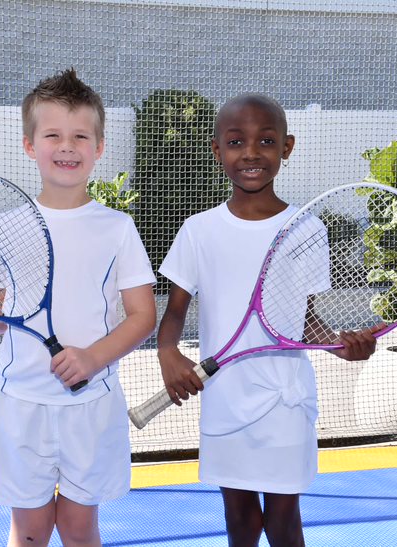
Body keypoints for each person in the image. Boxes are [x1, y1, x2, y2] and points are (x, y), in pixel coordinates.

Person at [0, 68, 156, 547]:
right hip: (22, 408)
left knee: (79, 530)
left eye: (81, 135)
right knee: (30, 532)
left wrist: (92, 358)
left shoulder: (117, 227)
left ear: (99, 148)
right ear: (29, 145)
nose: (67, 146)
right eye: (53, 134)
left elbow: (143, 316)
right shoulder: (4, 226)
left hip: (91, 407)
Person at [156, 93, 380, 547]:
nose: (252, 153)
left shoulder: (307, 229)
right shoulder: (198, 230)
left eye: (267, 141)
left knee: (283, 518)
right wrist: (167, 352)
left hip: (285, 399)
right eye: (237, 142)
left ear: (287, 147)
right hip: (224, 398)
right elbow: (175, 308)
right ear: (218, 150)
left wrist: (342, 346)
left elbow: (305, 321)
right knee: (238, 517)